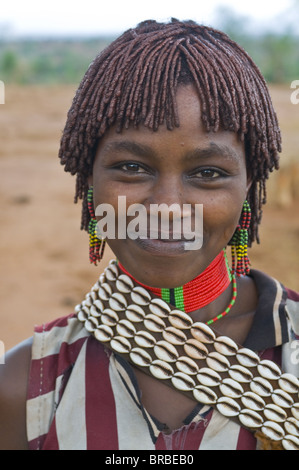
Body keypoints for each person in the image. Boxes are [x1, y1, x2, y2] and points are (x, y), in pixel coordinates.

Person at [0, 19, 298, 451]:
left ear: (248, 190)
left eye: (208, 173)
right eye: (132, 168)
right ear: (89, 183)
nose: (166, 208)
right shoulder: (27, 387)